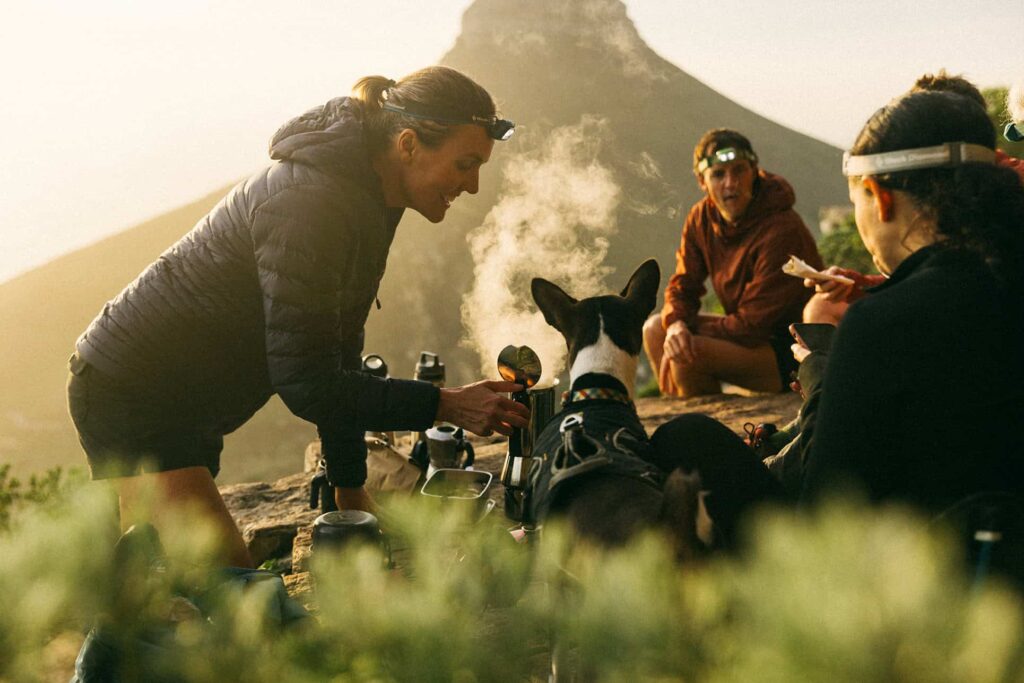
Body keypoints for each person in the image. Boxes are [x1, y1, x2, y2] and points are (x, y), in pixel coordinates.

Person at [67, 66, 530, 567]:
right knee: (233, 591)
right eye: (465, 163)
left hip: (172, 400)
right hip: (137, 395)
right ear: (409, 144)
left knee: (159, 587)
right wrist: (444, 405)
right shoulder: (312, 202)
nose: (474, 185)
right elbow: (307, 381)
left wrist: (349, 492)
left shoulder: (371, 196)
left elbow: (339, 351)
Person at [655, 89, 1024, 546]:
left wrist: (818, 373)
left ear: (881, 199)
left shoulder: (879, 326)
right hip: (1000, 540)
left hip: (910, 564)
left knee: (684, 437)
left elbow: (825, 504)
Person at [804, 71, 1024, 325]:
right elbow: (938, 275)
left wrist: (816, 366)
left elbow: (957, 285)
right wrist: (860, 286)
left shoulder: (1003, 187)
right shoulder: (985, 183)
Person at [643, 129, 822, 398]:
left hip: (793, 350)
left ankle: (704, 433)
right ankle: (688, 418)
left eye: (738, 170)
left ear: (754, 171)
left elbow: (752, 326)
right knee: (656, 329)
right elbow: (683, 284)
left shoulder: (781, 228)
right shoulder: (701, 217)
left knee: (688, 352)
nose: (730, 183)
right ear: (702, 181)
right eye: (718, 174)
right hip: (748, 338)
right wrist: (678, 323)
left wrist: (685, 329)